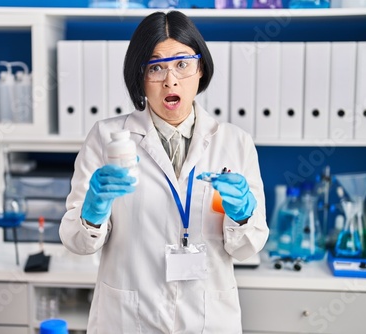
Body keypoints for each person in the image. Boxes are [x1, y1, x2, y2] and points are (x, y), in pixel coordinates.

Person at [59, 10, 269, 334]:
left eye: (182, 64)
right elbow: (76, 242)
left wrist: (242, 217)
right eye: (156, 67)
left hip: (208, 320)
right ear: (140, 76)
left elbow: (246, 248)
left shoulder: (235, 143)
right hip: (128, 320)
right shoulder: (106, 138)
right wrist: (91, 213)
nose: (171, 80)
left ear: (201, 67)